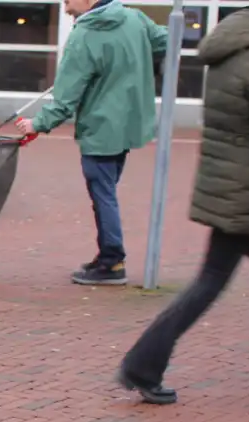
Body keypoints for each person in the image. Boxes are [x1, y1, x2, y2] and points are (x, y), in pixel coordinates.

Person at [117, 0, 249, 405]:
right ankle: (142, 364)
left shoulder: (238, 45)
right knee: (211, 281)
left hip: (236, 181)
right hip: (244, 188)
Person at [16, 0, 167, 286]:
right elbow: (166, 41)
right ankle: (107, 256)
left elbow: (66, 98)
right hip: (129, 124)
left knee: (103, 195)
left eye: (67, 1)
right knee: (106, 190)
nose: (64, 7)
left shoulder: (84, 35)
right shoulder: (135, 19)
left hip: (102, 129)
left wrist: (36, 124)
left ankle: (112, 261)